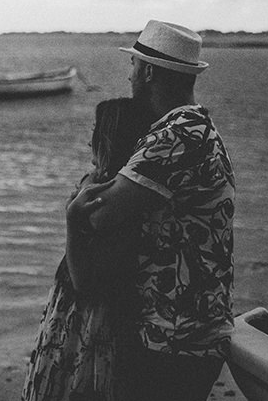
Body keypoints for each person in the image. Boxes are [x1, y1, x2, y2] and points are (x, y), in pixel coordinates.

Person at [67, 20, 235, 401]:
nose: (129, 78)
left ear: (147, 71)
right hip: (193, 326)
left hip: (173, 334)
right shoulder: (199, 128)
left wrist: (76, 204)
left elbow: (96, 213)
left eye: (132, 67)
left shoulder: (175, 135)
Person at [21, 97, 156, 401]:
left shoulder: (108, 201)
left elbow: (84, 282)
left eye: (96, 132)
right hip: (78, 314)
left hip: (88, 319)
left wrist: (71, 219)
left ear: (108, 139)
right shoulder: (115, 190)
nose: (88, 141)